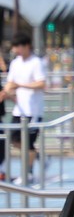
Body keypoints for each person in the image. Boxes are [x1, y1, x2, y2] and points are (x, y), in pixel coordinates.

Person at [3, 32, 47, 184]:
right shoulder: (15, 63)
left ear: (27, 46)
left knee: (28, 143)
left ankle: (28, 172)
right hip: (19, 110)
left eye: (18, 46)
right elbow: (10, 83)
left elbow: (41, 83)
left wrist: (20, 85)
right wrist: (6, 92)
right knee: (14, 139)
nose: (16, 50)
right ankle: (39, 157)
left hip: (33, 110)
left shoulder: (36, 62)